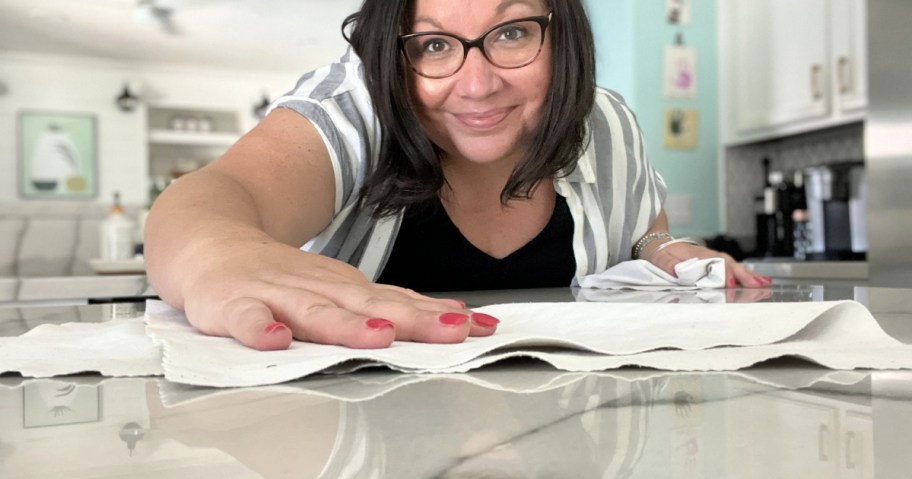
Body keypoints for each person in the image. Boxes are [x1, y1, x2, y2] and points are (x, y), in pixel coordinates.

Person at [145, 0, 771, 352]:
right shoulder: (354, 104)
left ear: (564, 38)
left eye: (514, 32)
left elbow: (641, 225)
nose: (477, 86)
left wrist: (663, 247)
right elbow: (211, 200)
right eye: (435, 46)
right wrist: (219, 255)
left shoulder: (606, 121)